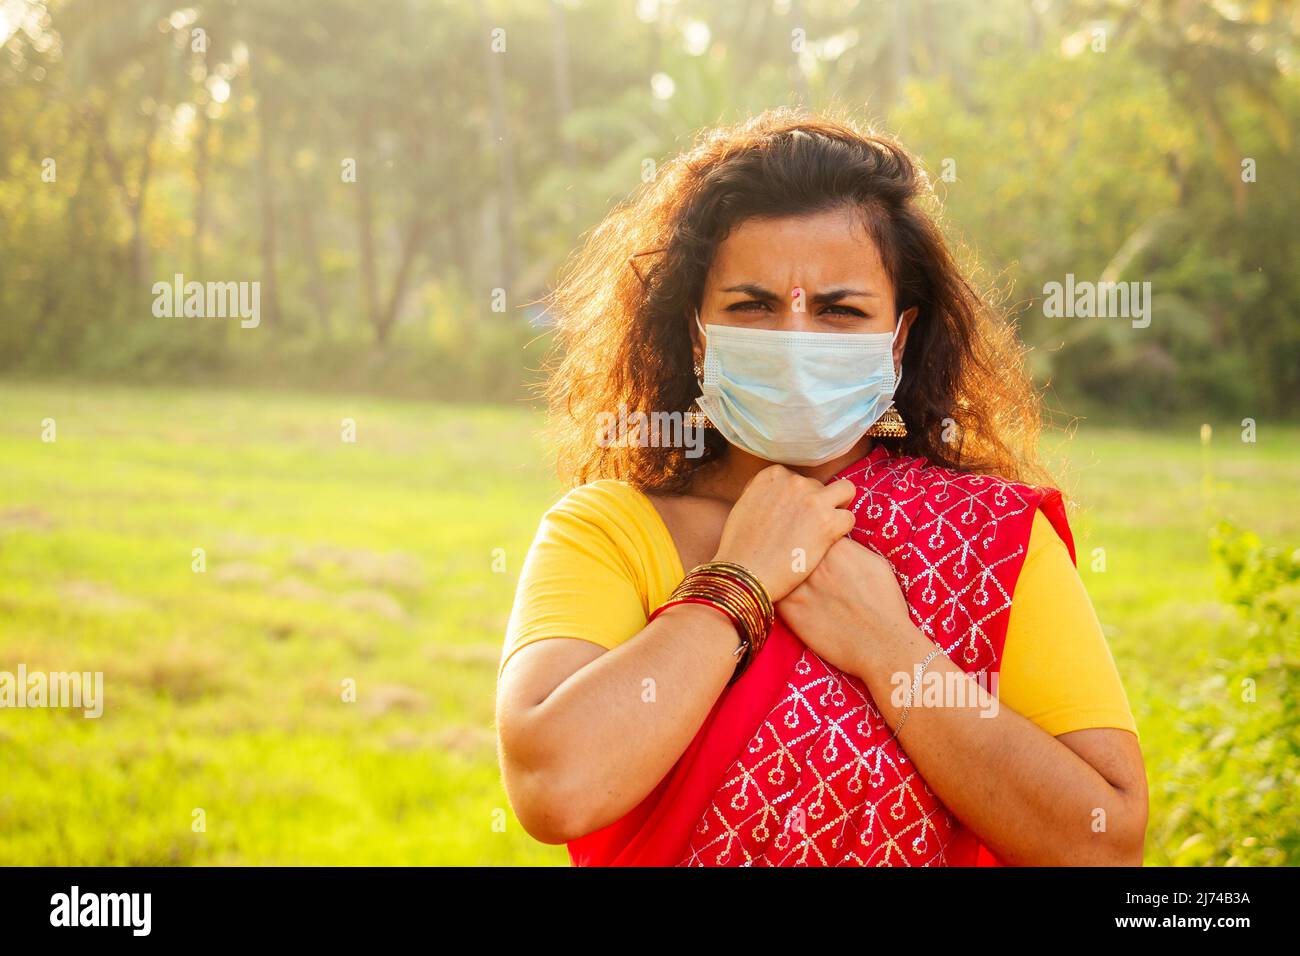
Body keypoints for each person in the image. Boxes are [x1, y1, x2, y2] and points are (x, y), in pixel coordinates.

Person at [494, 109, 1148, 866]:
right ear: (699, 332)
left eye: (840, 310)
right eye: (753, 305)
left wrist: (887, 647)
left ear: (897, 340)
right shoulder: (609, 529)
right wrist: (737, 584)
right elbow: (555, 787)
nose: (796, 341)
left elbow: (1103, 846)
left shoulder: (988, 537)